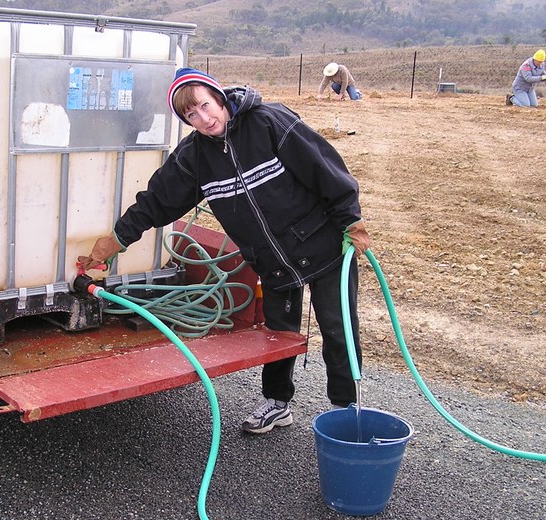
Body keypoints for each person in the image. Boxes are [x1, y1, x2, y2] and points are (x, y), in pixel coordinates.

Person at [78, 68, 371, 434]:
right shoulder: (195, 157)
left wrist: (350, 221)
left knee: (338, 328)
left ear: (219, 97)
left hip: (324, 246)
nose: (204, 118)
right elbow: (157, 202)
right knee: (279, 336)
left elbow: (323, 166)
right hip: (272, 261)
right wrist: (116, 241)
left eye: (205, 105)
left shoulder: (269, 122)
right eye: (191, 115)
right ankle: (277, 403)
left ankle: (347, 411)